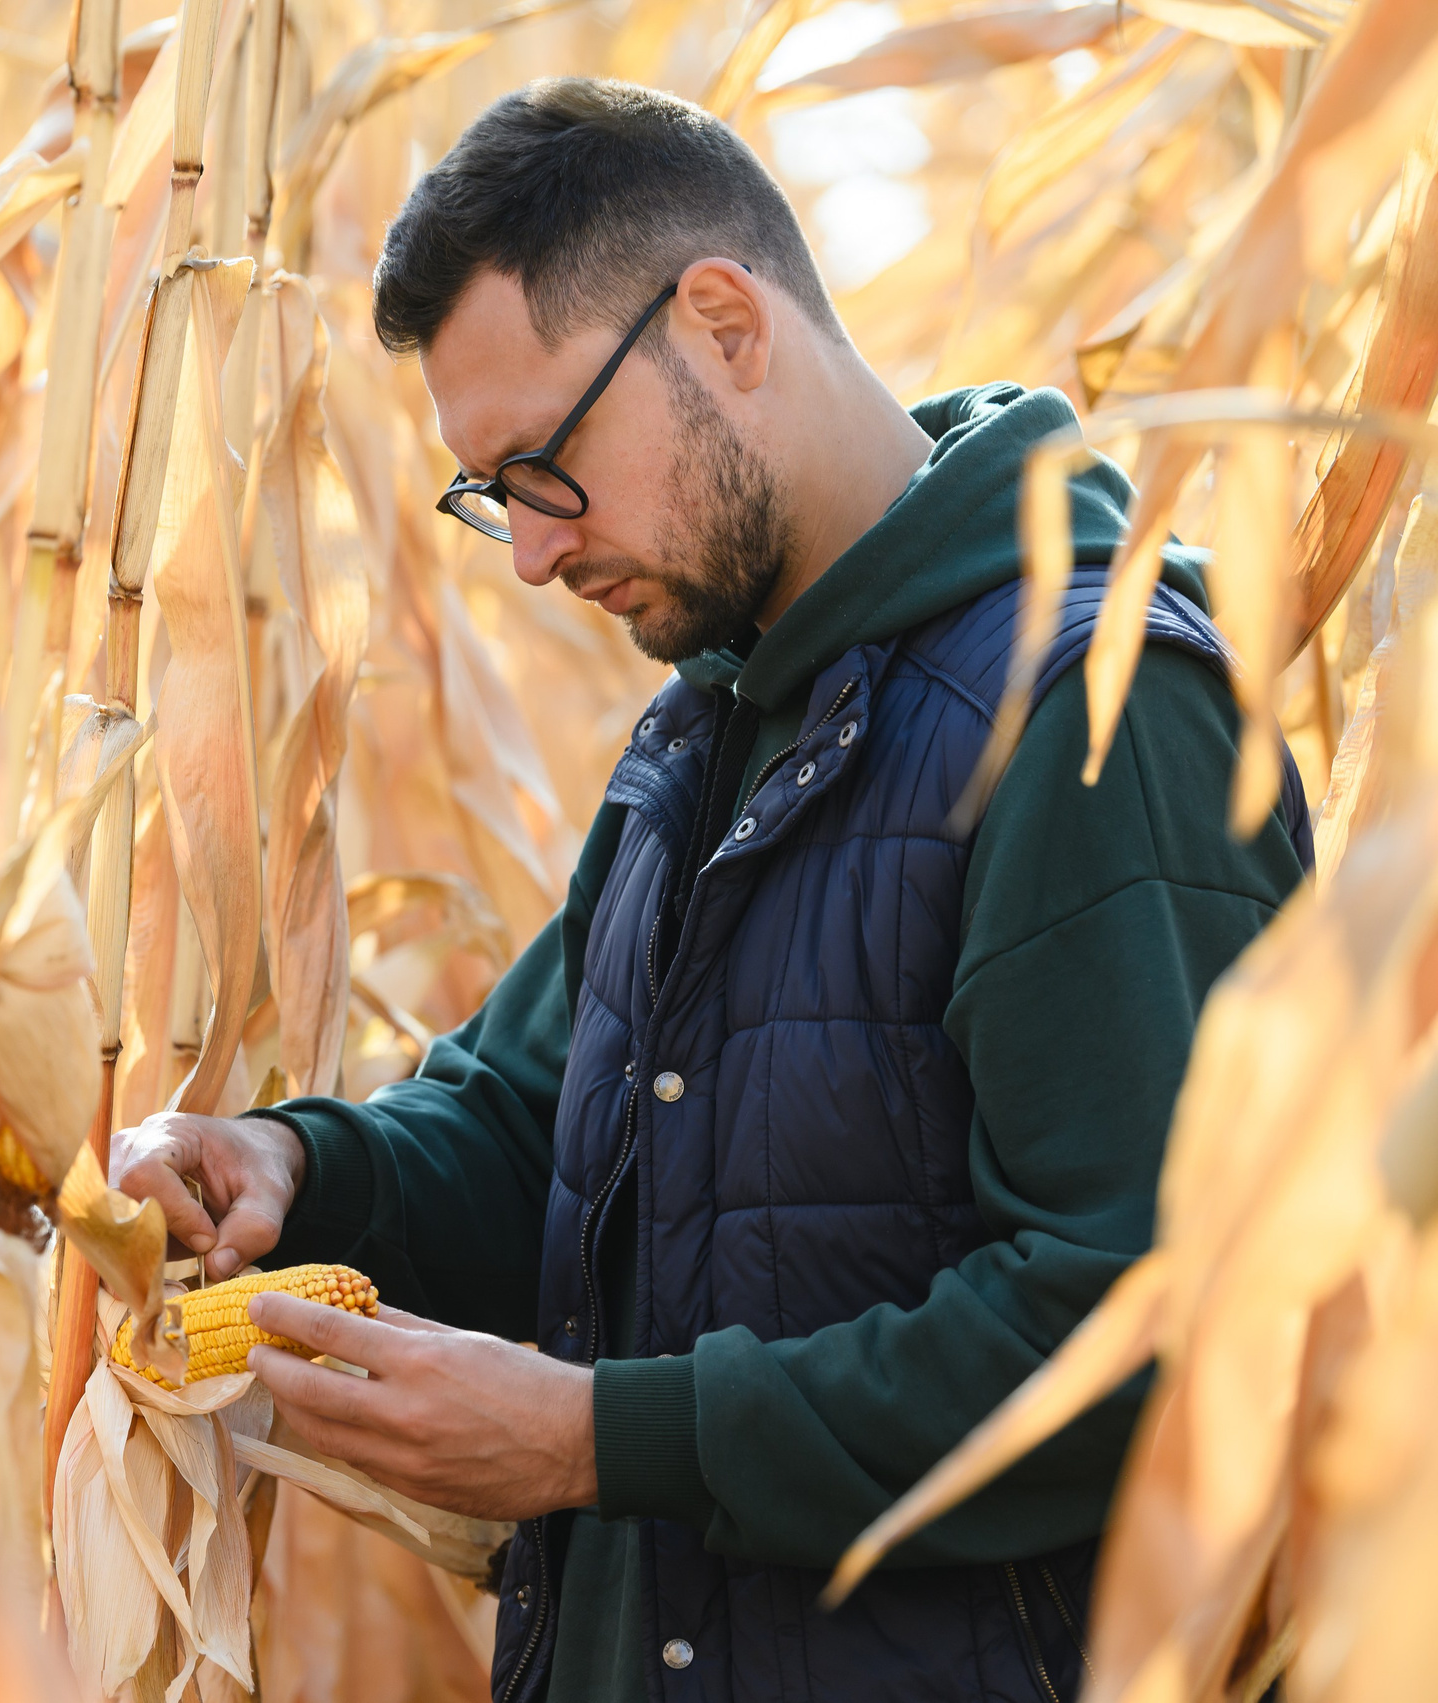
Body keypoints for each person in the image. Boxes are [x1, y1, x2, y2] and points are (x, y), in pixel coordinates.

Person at [110, 78, 1311, 1703]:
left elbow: (1149, 1332)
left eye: (545, 467)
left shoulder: (1088, 715)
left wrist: (600, 1441)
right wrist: (292, 1170)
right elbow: (533, 1119)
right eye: (493, 499)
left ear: (726, 324)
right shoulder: (711, 729)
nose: (530, 556)